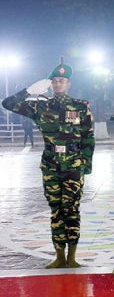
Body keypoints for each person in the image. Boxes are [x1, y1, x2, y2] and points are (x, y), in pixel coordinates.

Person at [2, 57, 95, 268]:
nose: (58, 84)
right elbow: (8, 103)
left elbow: (88, 138)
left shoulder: (80, 107)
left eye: (62, 80)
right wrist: (29, 91)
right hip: (51, 165)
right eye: (54, 81)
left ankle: (72, 256)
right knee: (55, 210)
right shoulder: (41, 107)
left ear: (69, 83)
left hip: (73, 165)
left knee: (71, 209)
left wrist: (85, 166)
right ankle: (59, 256)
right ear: (50, 84)